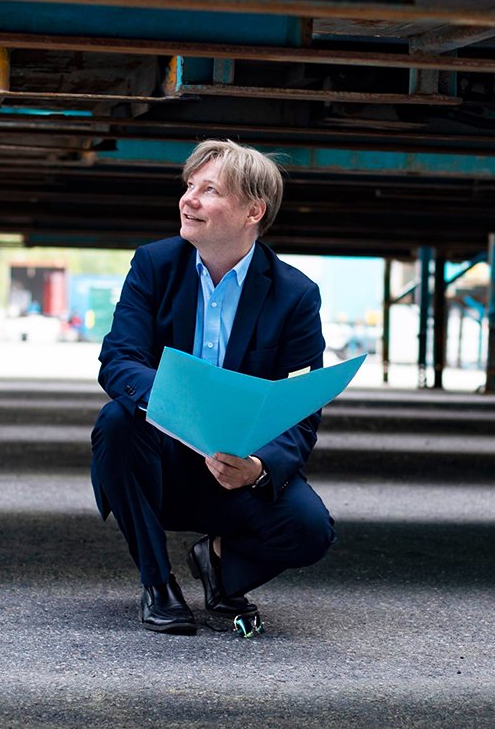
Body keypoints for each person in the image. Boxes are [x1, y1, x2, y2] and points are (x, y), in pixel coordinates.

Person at [91, 140, 335, 634]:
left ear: (253, 211)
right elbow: (119, 359)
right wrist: (185, 410)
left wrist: (258, 467)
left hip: (234, 465)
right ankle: (158, 585)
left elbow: (300, 407)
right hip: (161, 458)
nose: (189, 199)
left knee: (310, 531)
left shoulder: (295, 295)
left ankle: (219, 563)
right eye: (189, 186)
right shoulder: (154, 265)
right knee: (117, 422)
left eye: (209, 190)